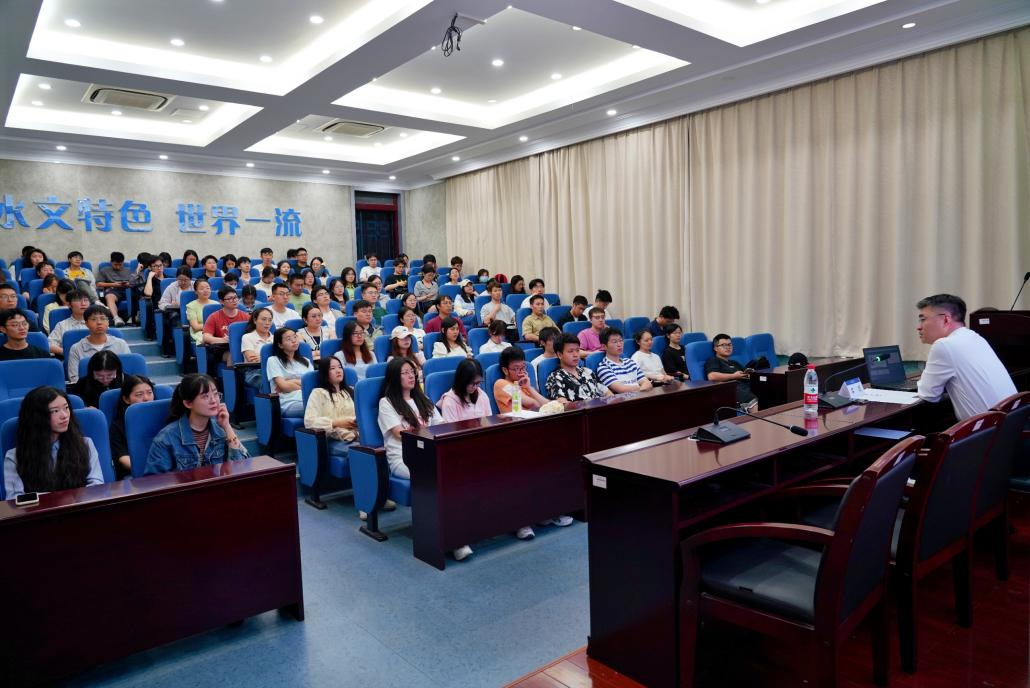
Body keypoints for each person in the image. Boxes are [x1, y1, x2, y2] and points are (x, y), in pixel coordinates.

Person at [377, 359, 457, 552]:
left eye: (412, 371)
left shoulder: (423, 399)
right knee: (436, 476)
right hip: (404, 458)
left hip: (431, 452)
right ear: (394, 377)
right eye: (405, 372)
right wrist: (429, 432)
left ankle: (457, 529)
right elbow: (400, 433)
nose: (411, 376)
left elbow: (441, 425)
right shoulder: (387, 403)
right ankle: (448, 536)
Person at [915, 293, 1016, 419]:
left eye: (923, 319)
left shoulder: (944, 345)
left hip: (986, 429)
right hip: (1012, 423)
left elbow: (928, 395)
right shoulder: (975, 337)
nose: (918, 327)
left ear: (945, 319)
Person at [3, 386, 104, 498]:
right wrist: (62, 499)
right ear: (37, 417)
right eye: (55, 411)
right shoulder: (14, 457)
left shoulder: (85, 444)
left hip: (81, 507)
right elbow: (15, 499)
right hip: (40, 510)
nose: (64, 416)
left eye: (66, 408)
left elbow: (97, 486)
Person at [145, 374, 247, 474]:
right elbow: (155, 481)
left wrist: (227, 427)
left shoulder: (221, 430)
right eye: (205, 396)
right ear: (188, 403)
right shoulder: (166, 438)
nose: (213, 401)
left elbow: (241, 469)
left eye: (216, 394)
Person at [304, 356, 359, 463]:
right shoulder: (318, 393)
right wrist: (336, 423)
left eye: (340, 367)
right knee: (362, 453)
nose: (338, 370)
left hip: (355, 435)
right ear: (325, 373)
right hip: (333, 440)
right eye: (332, 368)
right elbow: (309, 422)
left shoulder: (351, 391)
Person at [66, 305, 130, 384]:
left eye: (103, 318)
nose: (99, 322)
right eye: (94, 319)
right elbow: (74, 379)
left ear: (108, 322)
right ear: (86, 323)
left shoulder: (121, 344)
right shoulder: (76, 348)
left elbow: (127, 372)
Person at [109, 375, 156, 478]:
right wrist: (149, 470)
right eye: (139, 395)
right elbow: (123, 458)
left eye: (149, 392)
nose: (146, 398)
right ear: (126, 399)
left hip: (163, 468)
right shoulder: (117, 426)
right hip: (135, 473)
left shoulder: (162, 417)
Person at [545, 334, 611, 403]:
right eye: (570, 351)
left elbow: (608, 393)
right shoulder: (555, 377)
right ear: (559, 355)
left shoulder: (587, 371)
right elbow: (563, 404)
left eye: (577, 350)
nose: (576, 355)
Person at [266, 328, 313, 417]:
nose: (294, 341)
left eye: (295, 337)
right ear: (280, 345)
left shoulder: (306, 361)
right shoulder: (273, 360)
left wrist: (291, 381)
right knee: (316, 408)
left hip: (309, 398)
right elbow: (284, 386)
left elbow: (312, 384)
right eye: (288, 339)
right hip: (289, 402)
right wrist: (304, 386)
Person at [704, 333, 757, 410]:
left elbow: (744, 374)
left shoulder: (734, 362)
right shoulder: (713, 360)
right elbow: (712, 376)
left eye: (729, 345)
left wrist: (749, 374)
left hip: (746, 387)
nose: (728, 347)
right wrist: (734, 376)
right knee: (754, 401)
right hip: (731, 390)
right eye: (723, 345)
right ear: (715, 348)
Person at [202, 287, 249, 368]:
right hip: (223, 349)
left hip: (241, 347)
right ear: (221, 301)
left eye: (235, 297)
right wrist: (222, 340)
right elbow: (206, 337)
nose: (234, 300)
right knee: (233, 355)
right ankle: (232, 376)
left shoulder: (246, 316)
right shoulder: (214, 317)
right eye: (230, 298)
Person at [596, 327, 652, 394]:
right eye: (614, 342)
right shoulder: (604, 368)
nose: (619, 344)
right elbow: (622, 389)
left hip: (642, 396)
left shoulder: (630, 362)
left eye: (621, 340)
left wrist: (640, 388)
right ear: (604, 346)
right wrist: (640, 387)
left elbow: (647, 384)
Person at [494, 346, 548, 413]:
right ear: (505, 370)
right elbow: (534, 404)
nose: (522, 371)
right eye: (517, 368)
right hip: (515, 419)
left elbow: (547, 405)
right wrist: (541, 406)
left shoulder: (525, 385)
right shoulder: (501, 384)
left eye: (523, 367)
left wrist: (529, 388)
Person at [155, 265, 192, 355]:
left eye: (186, 280)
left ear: (190, 279)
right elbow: (162, 303)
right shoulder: (172, 287)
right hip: (177, 313)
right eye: (180, 280)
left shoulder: (195, 285)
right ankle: (180, 351)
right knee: (176, 323)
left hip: (193, 313)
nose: (183, 282)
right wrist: (171, 305)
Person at [48, 289, 91, 357]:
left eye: (86, 300)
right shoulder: (61, 325)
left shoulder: (97, 323)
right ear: (69, 304)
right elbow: (49, 344)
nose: (83, 304)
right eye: (78, 300)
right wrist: (68, 352)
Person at [241, 307, 274, 388]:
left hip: (274, 369)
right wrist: (274, 357)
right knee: (274, 383)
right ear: (255, 320)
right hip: (255, 371)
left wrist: (262, 357)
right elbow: (252, 359)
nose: (267, 323)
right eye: (264, 319)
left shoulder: (275, 338)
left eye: (270, 320)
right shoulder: (247, 337)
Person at [95, 251, 132, 326]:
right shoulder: (104, 270)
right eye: (115, 265)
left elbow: (135, 282)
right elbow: (98, 284)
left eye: (120, 264)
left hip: (128, 289)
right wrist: (113, 284)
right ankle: (116, 318)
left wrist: (128, 284)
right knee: (109, 296)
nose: (118, 267)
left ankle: (133, 317)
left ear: (123, 262)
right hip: (113, 290)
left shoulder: (129, 270)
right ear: (111, 262)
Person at [185, 277, 214, 346]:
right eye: (202, 289)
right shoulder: (191, 306)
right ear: (196, 291)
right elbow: (196, 327)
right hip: (200, 332)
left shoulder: (216, 304)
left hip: (215, 329)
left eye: (208, 288)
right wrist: (212, 326)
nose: (205, 290)